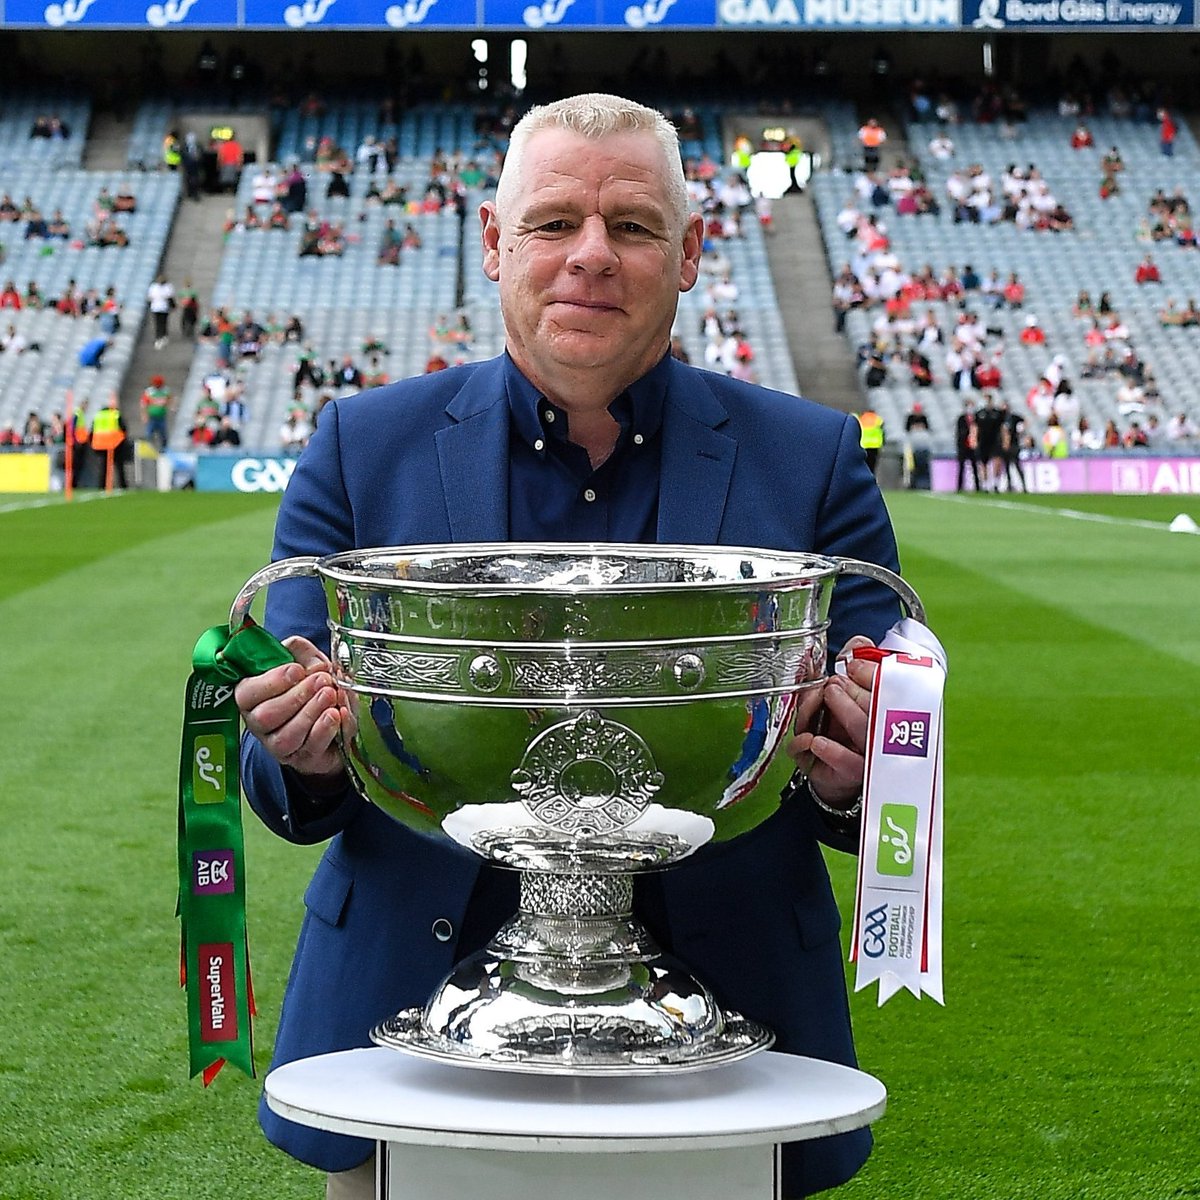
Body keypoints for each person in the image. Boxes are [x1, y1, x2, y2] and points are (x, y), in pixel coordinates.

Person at [234, 94, 906, 1200]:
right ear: (495, 242)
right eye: (553, 223)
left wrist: (861, 768)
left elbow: (883, 743)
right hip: (406, 1044)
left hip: (737, 1045)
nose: (591, 255)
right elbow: (278, 753)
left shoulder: (812, 459)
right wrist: (299, 750)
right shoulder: (362, 448)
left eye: (632, 226)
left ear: (689, 254)